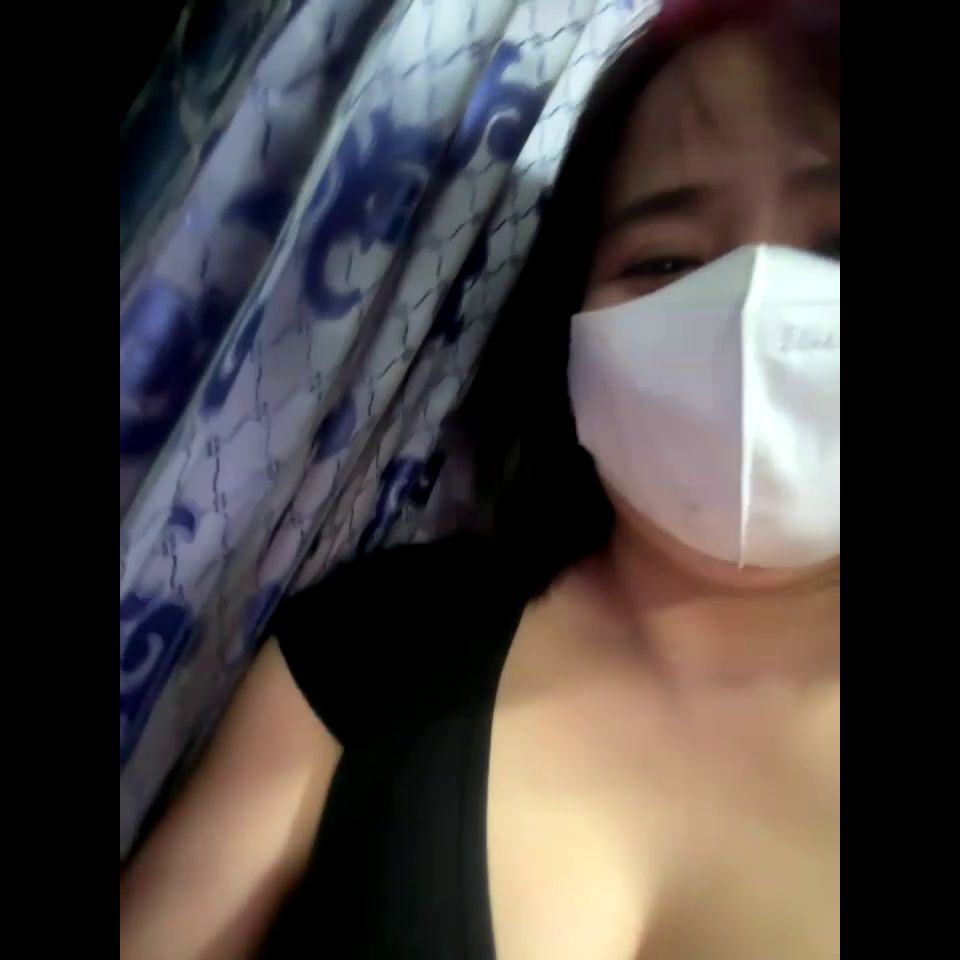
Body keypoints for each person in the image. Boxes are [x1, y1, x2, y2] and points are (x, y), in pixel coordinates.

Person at [120, 3, 840, 958]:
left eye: (834, 247)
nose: (752, 305)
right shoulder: (377, 639)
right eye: (663, 260)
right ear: (568, 334)